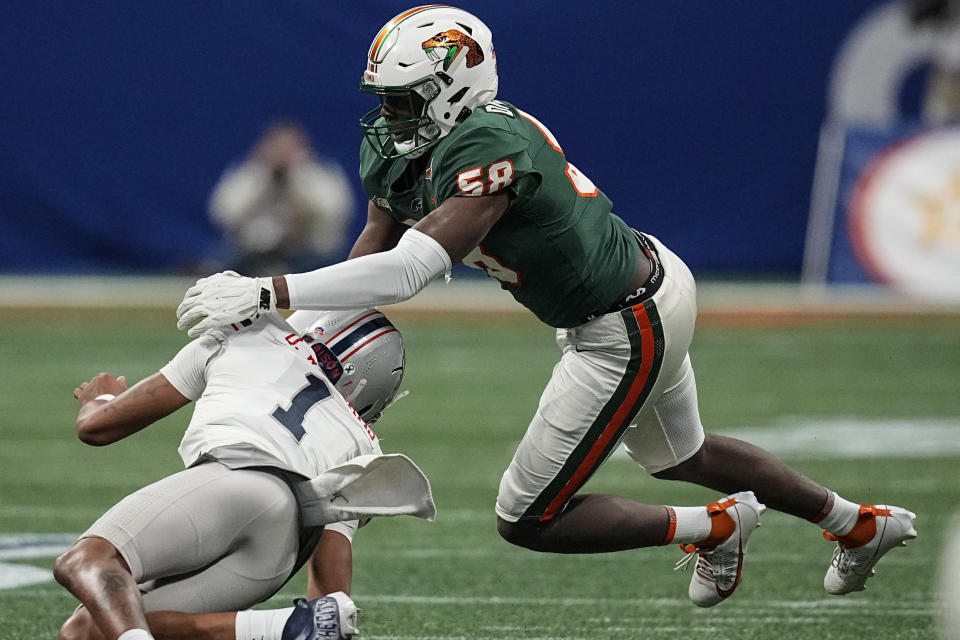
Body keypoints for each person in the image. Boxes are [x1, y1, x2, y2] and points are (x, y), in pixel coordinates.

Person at [176, 5, 918, 608]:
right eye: (387, 100)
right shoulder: (409, 145)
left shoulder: (492, 144)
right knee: (683, 454)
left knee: (528, 517)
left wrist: (269, 288)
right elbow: (374, 248)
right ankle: (858, 526)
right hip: (641, 286)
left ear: (454, 87)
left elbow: (407, 272)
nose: (392, 116)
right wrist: (293, 328)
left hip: (622, 323)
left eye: (406, 100)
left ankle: (717, 526)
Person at [55, 308, 433, 640]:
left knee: (87, 560)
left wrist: (101, 399)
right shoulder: (362, 440)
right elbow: (331, 594)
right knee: (87, 631)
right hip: (281, 551)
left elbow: (98, 429)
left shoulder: (247, 336)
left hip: (240, 483)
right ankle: (277, 627)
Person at [208, 120, 354, 275]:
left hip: (307, 251)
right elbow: (224, 214)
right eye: (277, 147)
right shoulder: (250, 174)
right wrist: (263, 179)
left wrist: (298, 177)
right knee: (222, 266)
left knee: (320, 268)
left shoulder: (320, 175)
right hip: (253, 251)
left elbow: (334, 214)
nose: (282, 153)